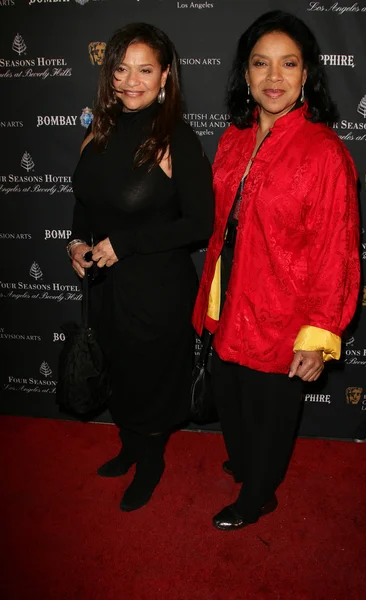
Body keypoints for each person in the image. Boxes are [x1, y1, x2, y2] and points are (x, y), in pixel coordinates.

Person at [192, 10, 360, 531]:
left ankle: (258, 496)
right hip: (229, 299)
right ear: (245, 74)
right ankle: (248, 467)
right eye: (260, 64)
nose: (273, 78)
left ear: (307, 72)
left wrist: (318, 335)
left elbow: (337, 250)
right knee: (233, 403)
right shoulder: (233, 137)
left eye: (288, 64)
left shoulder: (325, 152)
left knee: (270, 417)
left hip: (284, 316)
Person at [68, 23, 214, 512]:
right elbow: (87, 200)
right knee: (121, 374)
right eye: (121, 69)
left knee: (149, 379)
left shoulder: (176, 139)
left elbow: (199, 224)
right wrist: (76, 241)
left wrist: (125, 243)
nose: (131, 81)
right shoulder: (100, 131)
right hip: (106, 286)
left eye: (145, 69)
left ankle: (151, 461)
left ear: (165, 76)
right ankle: (130, 447)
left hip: (156, 291)